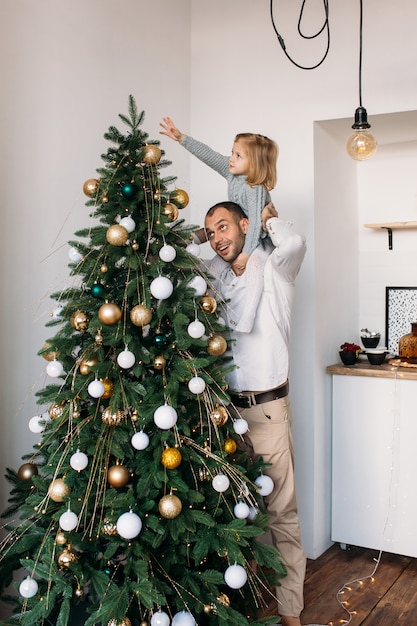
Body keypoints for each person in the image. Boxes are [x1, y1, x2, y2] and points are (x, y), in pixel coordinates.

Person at [202, 202, 322, 626]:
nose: (217, 238)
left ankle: (290, 612)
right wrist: (201, 238)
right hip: (223, 414)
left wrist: (269, 217)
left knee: (281, 514)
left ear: (245, 225)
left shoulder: (275, 269)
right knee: (235, 510)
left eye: (223, 227)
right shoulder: (215, 281)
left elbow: (296, 241)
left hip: (268, 410)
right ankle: (245, 595)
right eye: (210, 232)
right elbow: (179, 258)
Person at [160, 117, 278, 275]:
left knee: (254, 268)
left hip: (257, 242)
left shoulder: (254, 188)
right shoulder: (232, 173)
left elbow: (256, 224)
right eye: (232, 153)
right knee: (217, 264)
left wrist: (246, 255)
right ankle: (181, 247)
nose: (231, 158)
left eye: (238, 156)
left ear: (254, 163)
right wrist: (182, 138)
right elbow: (209, 155)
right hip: (239, 233)